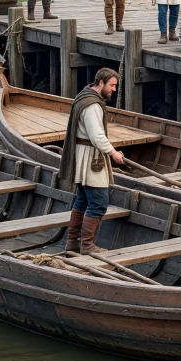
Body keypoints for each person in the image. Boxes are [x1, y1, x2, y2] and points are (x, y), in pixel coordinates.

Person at [59, 68, 125, 255]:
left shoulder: (84, 95)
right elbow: (96, 136)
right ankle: (87, 246)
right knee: (98, 202)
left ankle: (73, 242)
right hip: (91, 159)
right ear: (101, 83)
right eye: (112, 85)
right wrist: (113, 153)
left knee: (82, 200)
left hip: (83, 155)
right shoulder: (92, 106)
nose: (113, 89)